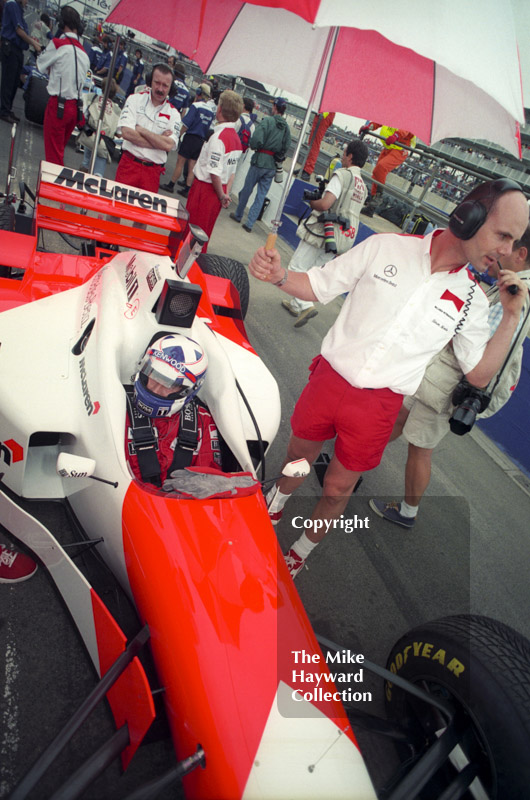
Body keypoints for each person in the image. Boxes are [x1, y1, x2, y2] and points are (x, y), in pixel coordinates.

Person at [248, 179, 529, 578]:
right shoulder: (386, 246)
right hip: (329, 381)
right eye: (503, 235)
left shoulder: (472, 300)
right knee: (298, 459)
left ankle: (298, 553)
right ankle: (274, 504)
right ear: (469, 215)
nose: (507, 251)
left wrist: (512, 317)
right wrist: (278, 276)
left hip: (380, 407)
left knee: (338, 489)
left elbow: (479, 375)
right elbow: (316, 285)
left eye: (514, 240)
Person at [369, 223, 530, 529]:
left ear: (521, 254)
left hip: (448, 386)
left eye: (510, 244)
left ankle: (407, 511)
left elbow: (483, 354)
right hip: (441, 382)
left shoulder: (515, 294)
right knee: (398, 417)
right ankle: (356, 457)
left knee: (420, 449)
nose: (502, 250)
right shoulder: (513, 285)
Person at [281, 138, 369, 328]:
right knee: (315, 272)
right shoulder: (363, 186)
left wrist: (313, 203)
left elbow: (325, 204)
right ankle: (297, 305)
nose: (343, 157)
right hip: (342, 237)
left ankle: (306, 305)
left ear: (350, 156)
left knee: (297, 266)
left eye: (345, 153)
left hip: (324, 231)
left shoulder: (342, 175)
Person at [127, 333, 222, 485]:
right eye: (153, 375)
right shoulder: (116, 402)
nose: (156, 389)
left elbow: (208, 481)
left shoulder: (202, 422)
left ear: (188, 390)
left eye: (169, 384)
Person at [184, 89, 243, 252]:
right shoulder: (236, 140)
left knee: (192, 231)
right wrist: (225, 194)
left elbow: (214, 172)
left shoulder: (219, 137)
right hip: (220, 190)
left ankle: (184, 265)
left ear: (220, 109)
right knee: (204, 233)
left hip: (206, 190)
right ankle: (195, 263)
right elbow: (232, 172)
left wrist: (221, 195)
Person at [115, 63, 181, 193]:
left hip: (152, 173)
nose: (160, 89)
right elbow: (127, 133)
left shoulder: (174, 114)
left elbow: (168, 146)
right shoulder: (134, 100)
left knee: (144, 213)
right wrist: (158, 140)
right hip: (128, 166)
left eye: (165, 86)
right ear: (150, 80)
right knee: (115, 210)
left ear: (171, 88)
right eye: (157, 83)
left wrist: (141, 130)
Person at [37, 5, 89, 166]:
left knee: (53, 158)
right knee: (58, 152)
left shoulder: (57, 44)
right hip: (76, 110)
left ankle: (54, 190)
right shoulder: (84, 54)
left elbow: (41, 65)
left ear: (61, 24)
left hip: (58, 106)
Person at [230, 96, 291, 233]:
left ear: (275, 107)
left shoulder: (267, 121)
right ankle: (250, 223)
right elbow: (286, 146)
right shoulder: (286, 128)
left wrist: (256, 146)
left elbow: (256, 140)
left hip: (259, 160)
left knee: (247, 189)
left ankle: (239, 214)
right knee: (261, 195)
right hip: (272, 165)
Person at [160, 82, 215, 195]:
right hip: (200, 141)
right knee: (192, 165)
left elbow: (186, 124)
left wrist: (178, 135)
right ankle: (187, 189)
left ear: (199, 93)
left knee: (180, 162)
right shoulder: (211, 111)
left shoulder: (195, 106)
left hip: (190, 138)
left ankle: (171, 185)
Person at [360, 122, 416, 217]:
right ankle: (372, 206)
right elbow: (380, 121)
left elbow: (407, 128)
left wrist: (396, 135)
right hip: (389, 147)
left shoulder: (408, 114)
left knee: (381, 167)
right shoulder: (393, 112)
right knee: (376, 173)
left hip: (400, 149)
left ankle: (378, 197)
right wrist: (369, 127)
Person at [0, 0, 42, 123]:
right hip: (11, 47)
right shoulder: (12, 5)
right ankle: (4, 110)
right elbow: (19, 30)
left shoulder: (19, 8)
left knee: (14, 82)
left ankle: (7, 109)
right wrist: (33, 43)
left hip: (17, 49)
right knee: (8, 80)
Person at [78, 77, 120, 177]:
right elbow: (119, 133)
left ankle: (80, 180)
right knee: (98, 173)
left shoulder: (91, 97)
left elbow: (84, 113)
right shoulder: (117, 110)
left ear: (102, 88)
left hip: (90, 136)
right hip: (105, 142)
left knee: (86, 163)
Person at [299, 111, 336, 180]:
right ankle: (305, 168)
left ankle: (308, 170)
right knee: (312, 142)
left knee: (315, 144)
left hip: (325, 114)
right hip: (322, 113)